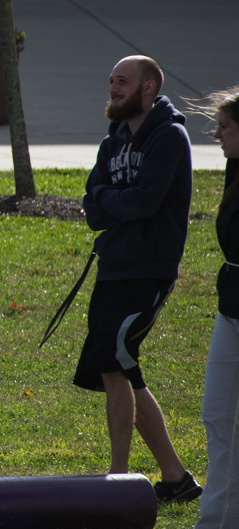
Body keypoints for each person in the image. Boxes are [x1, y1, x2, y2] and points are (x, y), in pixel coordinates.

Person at [77, 56, 198, 501]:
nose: (113, 88)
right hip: (112, 267)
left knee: (116, 362)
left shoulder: (169, 136)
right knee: (120, 367)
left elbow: (146, 202)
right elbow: (92, 208)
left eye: (122, 82)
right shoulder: (114, 140)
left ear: (148, 88)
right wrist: (113, 200)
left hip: (149, 269)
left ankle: (118, 477)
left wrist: (112, 201)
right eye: (110, 80)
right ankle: (175, 477)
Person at [169, 87, 239, 529]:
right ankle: (218, 527)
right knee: (218, 415)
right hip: (231, 306)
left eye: (226, 127)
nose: (216, 134)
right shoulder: (236, 168)